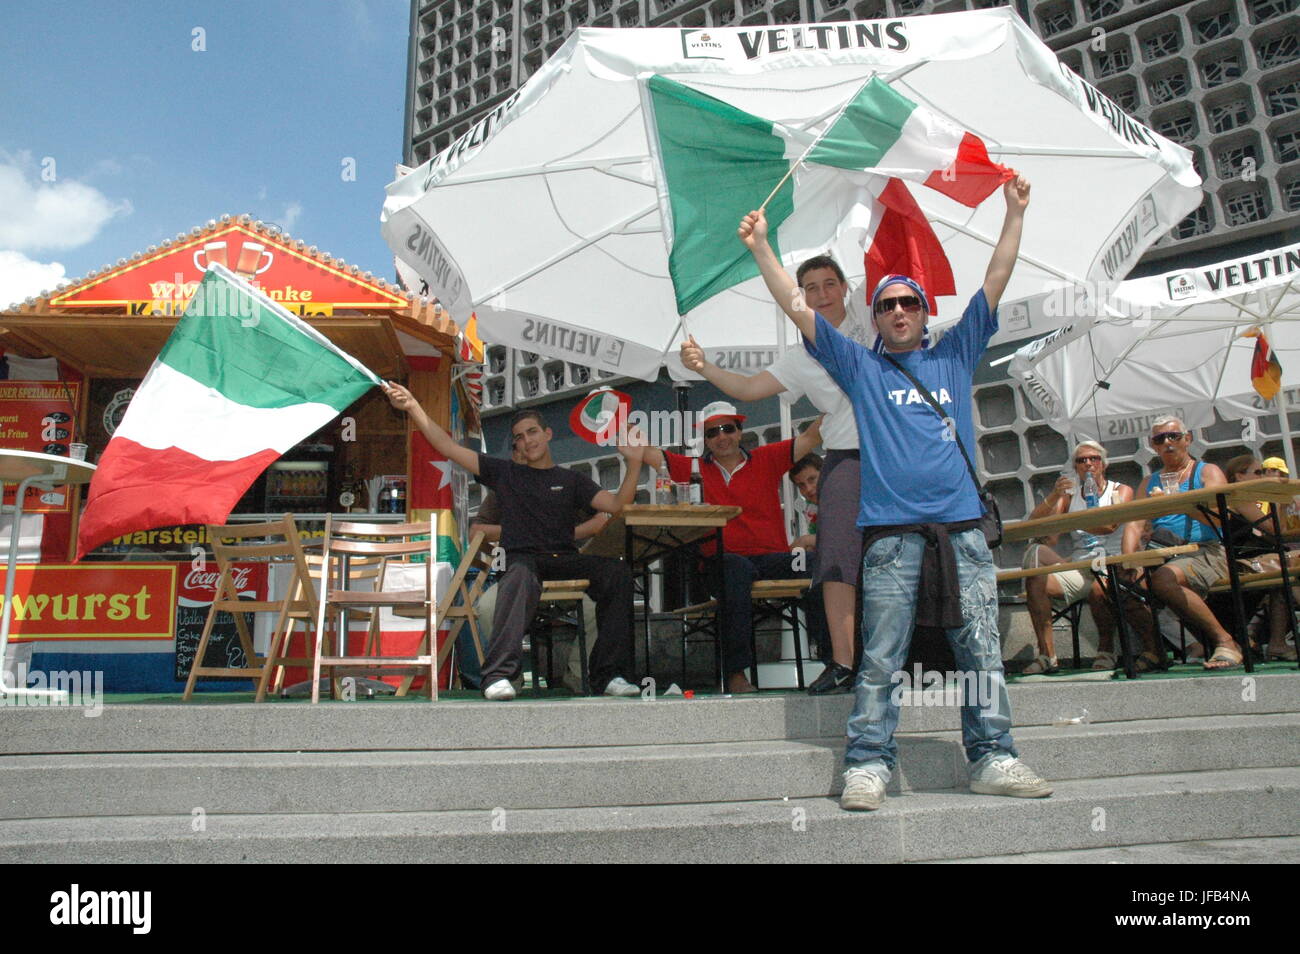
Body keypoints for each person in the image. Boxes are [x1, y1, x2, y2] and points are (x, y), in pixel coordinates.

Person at [738, 173, 1053, 811]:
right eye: (887, 306)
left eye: (909, 302)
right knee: (879, 655)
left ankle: (994, 756)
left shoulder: (956, 353)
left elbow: (994, 279)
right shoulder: (860, 366)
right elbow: (799, 308)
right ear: (874, 318)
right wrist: (762, 250)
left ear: (924, 310)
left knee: (981, 653)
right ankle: (868, 763)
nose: (900, 312)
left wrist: (1014, 213)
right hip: (889, 537)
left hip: (963, 531)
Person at [679, 256, 873, 695]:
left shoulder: (871, 320)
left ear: (846, 287)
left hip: (889, 454)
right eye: (811, 288)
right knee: (835, 560)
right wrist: (703, 367)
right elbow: (748, 388)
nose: (822, 295)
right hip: (844, 457)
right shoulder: (800, 356)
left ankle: (904, 657)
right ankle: (840, 663)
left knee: (892, 555)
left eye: (830, 284)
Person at [384, 382, 645, 700]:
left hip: (564, 560)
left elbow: (617, 506)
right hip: (524, 561)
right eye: (519, 437)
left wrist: (634, 463)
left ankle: (609, 676)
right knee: (519, 574)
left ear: (547, 435)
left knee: (617, 573)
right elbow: (448, 447)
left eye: (532, 432)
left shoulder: (572, 479)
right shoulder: (505, 472)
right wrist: (413, 406)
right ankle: (497, 677)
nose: (526, 440)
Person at [632, 401, 827, 694]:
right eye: (713, 432)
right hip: (722, 561)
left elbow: (813, 436)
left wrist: (846, 390)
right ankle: (735, 673)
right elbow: (643, 451)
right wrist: (612, 418)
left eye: (727, 428)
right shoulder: (692, 467)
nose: (721, 436)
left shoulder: (767, 457)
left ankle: (833, 659)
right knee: (734, 569)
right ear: (705, 439)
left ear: (739, 431)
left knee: (821, 565)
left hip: (771, 559)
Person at [1120, 417, 1263, 670]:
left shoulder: (1207, 472)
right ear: (1153, 446)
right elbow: (1134, 523)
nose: (1167, 442)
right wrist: (1130, 559)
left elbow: (1220, 520)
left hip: (1206, 550)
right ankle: (1155, 652)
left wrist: (1180, 502)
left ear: (1188, 439)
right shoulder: (1148, 482)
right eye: (1159, 439)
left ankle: (1226, 642)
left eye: (1173, 436)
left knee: (1164, 579)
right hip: (1163, 553)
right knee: (1119, 585)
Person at [467, 445, 603, 692]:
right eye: (518, 453)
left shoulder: (563, 483)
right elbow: (476, 531)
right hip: (518, 576)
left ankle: (577, 675)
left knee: (596, 609)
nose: (524, 458)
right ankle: (508, 677)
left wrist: (564, 535)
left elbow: (600, 520)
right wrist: (524, 533)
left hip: (563, 575)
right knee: (487, 608)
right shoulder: (503, 489)